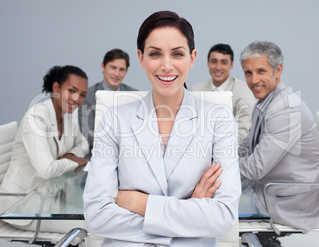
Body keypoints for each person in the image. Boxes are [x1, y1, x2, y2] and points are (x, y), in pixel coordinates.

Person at [83, 11, 241, 247]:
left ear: (192, 57)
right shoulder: (114, 119)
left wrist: (140, 203)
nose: (166, 66)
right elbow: (97, 216)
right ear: (141, 58)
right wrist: (191, 211)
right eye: (155, 54)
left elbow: (223, 217)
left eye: (177, 54)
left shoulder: (218, 119)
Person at [238, 41, 319, 246]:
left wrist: (218, 166)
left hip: (288, 202)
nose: (254, 80)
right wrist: (219, 156)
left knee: (212, 206)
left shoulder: (286, 110)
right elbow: (246, 147)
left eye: (261, 71)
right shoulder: (266, 101)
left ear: (278, 70)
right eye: (248, 73)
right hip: (272, 187)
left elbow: (256, 168)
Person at [0, 65, 89, 233]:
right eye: (71, 91)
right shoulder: (35, 118)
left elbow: (83, 145)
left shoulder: (69, 115)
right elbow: (47, 170)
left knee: (98, 213)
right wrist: (72, 161)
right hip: (22, 206)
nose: (77, 99)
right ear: (56, 88)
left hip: (50, 195)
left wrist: (70, 155)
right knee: (91, 226)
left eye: (82, 95)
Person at [192, 43, 256, 143]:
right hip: (199, 151)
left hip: (232, 152)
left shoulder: (244, 92)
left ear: (231, 65)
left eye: (224, 62)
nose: (218, 67)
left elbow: (243, 133)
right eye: (214, 61)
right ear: (208, 63)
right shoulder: (196, 90)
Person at [79, 48, 137, 149]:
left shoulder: (135, 96)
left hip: (129, 154)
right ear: (103, 67)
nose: (117, 74)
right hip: (98, 153)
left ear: (126, 71)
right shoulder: (88, 96)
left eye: (121, 69)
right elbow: (88, 134)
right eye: (113, 68)